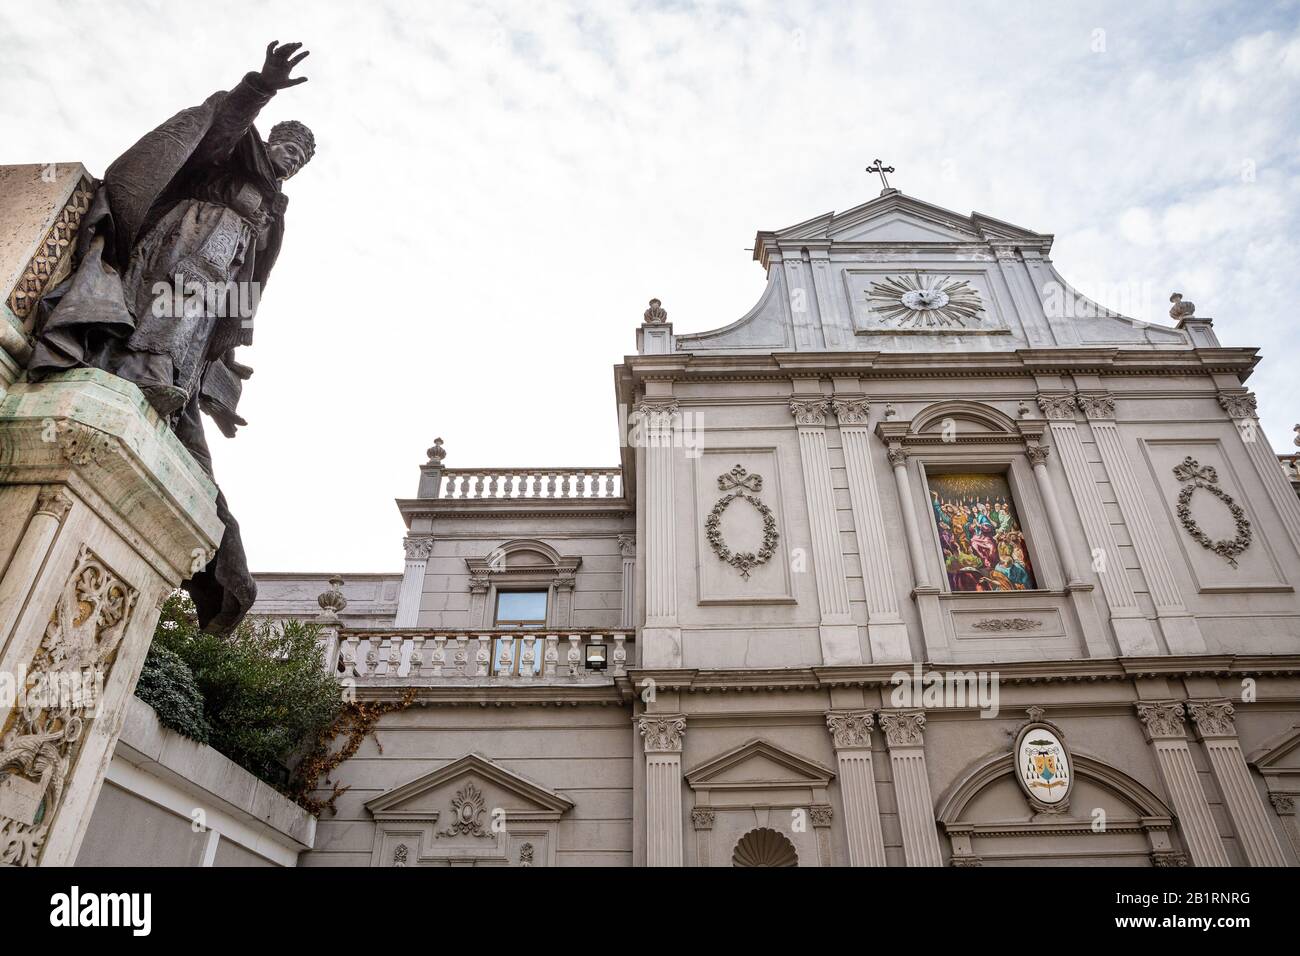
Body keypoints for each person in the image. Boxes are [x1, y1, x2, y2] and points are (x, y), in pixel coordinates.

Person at [26, 41, 315, 634]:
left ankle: (166, 380)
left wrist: (231, 335)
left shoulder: (275, 206)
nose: (294, 157)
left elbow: (256, 274)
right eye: (291, 144)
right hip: (188, 238)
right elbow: (218, 130)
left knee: (193, 326)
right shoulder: (239, 154)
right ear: (274, 138)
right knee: (172, 306)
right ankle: (140, 367)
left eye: (303, 155)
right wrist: (259, 87)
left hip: (223, 271)